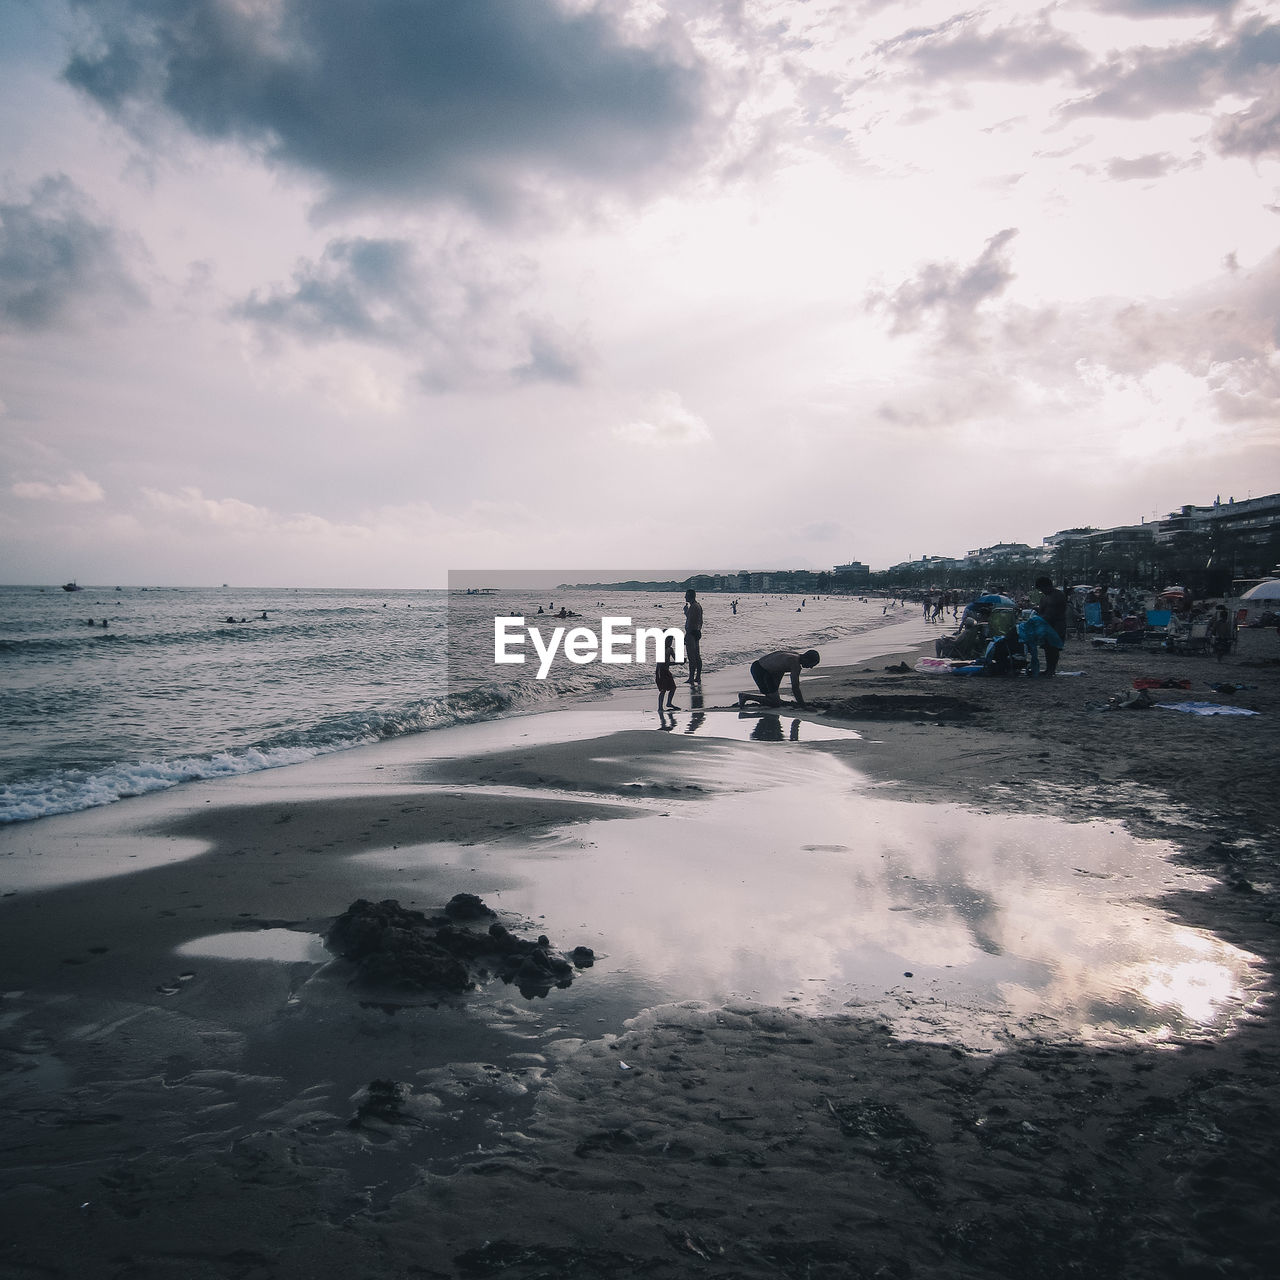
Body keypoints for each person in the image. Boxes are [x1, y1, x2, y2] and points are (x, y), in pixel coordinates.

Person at [737, 649, 820, 709]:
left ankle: (772, 699)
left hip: (760, 666)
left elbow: (779, 669)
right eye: (811, 664)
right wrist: (803, 706)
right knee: (775, 703)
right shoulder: (795, 664)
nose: (811, 667)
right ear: (806, 659)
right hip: (761, 671)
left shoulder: (794, 655)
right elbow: (795, 687)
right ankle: (745, 696)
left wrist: (775, 692)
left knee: (775, 699)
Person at [1033, 576, 1068, 677]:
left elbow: (1052, 613)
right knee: (1047, 648)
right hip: (1046, 625)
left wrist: (1041, 617)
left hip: (1057, 625)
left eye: (1042, 588)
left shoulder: (1058, 595)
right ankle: (1048, 669)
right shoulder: (1044, 597)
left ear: (1047, 586)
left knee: (1054, 648)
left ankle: (1052, 670)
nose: (1041, 591)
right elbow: (1042, 611)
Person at [683, 589, 703, 684]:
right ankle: (697, 676)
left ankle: (691, 677)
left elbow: (690, 621)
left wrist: (687, 635)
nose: (685, 597)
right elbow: (699, 621)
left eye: (686, 595)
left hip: (691, 633)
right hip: (697, 632)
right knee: (697, 656)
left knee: (692, 657)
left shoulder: (693, 607)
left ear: (690, 596)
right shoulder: (698, 606)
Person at [655, 633, 678, 712]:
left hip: (666, 671)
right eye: (668, 640)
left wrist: (681, 660)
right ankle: (660, 707)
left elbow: (676, 659)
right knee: (663, 690)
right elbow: (665, 663)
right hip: (660, 672)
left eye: (671, 640)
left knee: (673, 688)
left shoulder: (670, 649)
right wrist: (677, 663)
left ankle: (669, 703)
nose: (669, 642)